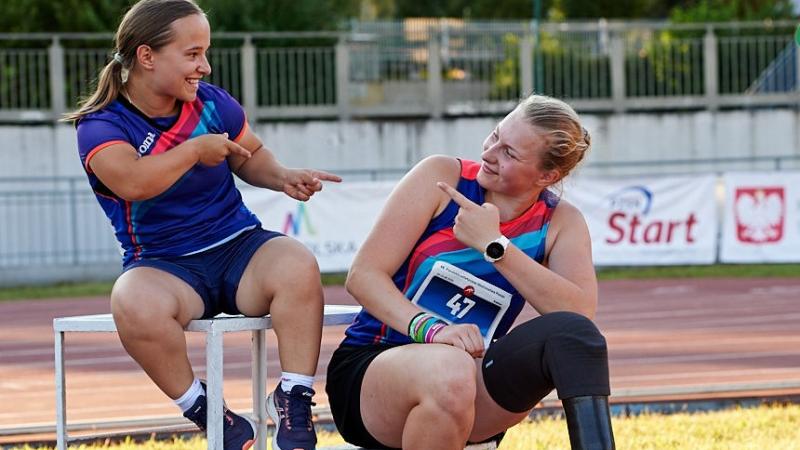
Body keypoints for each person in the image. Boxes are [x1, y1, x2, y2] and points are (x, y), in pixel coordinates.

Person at [64, 1, 340, 449]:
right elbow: (133, 182)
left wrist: (284, 176)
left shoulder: (213, 104)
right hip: (164, 265)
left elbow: (251, 156)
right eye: (192, 54)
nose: (205, 67)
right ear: (147, 56)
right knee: (131, 301)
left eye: (205, 53)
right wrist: (193, 151)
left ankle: (293, 398)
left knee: (297, 264)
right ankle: (206, 411)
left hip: (238, 246)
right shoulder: (101, 125)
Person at [326, 95, 615, 450]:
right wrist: (434, 331)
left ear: (547, 175)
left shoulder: (560, 222)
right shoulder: (441, 178)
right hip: (374, 367)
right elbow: (363, 276)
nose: (490, 153)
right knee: (449, 368)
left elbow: (578, 314)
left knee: (574, 338)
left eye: (509, 153)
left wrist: (494, 246)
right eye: (495, 136)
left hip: (469, 377)